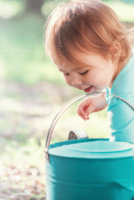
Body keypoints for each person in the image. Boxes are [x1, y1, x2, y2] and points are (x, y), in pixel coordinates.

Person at [44, 0, 134, 143]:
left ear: (114, 52)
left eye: (83, 72)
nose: (74, 81)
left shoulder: (123, 98)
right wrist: (103, 99)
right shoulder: (126, 62)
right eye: (65, 73)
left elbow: (123, 149)